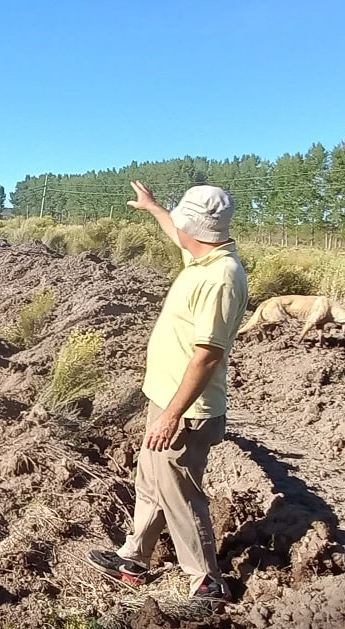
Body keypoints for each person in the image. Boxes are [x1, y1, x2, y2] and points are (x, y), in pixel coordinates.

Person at [86, 181, 249, 605]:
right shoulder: (201, 258)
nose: (177, 228)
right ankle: (134, 556)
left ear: (195, 227)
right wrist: (154, 208)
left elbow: (208, 355)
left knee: (179, 493)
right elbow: (176, 232)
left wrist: (173, 414)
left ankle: (206, 581)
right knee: (151, 481)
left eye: (180, 220)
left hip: (188, 410)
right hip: (168, 399)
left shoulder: (220, 277)